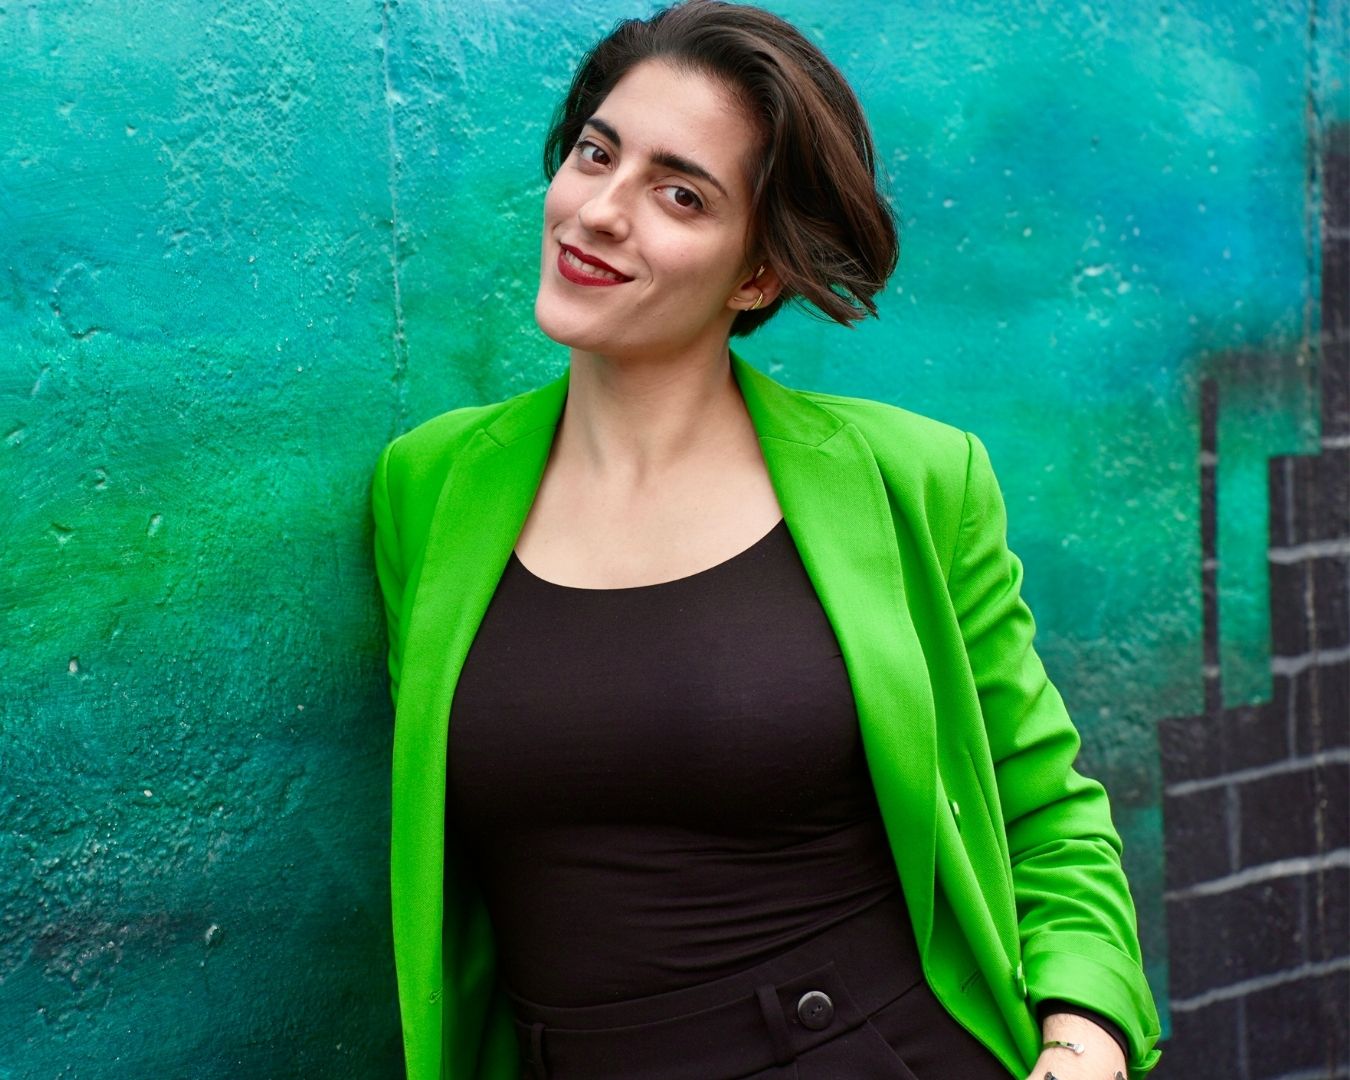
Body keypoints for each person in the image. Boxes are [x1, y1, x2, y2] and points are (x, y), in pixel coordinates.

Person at [370, 2, 1161, 1078]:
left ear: (757, 275)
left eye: (681, 194)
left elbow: (1048, 815)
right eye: (597, 154)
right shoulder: (428, 486)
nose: (599, 211)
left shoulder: (912, 480)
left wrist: (1080, 1050)